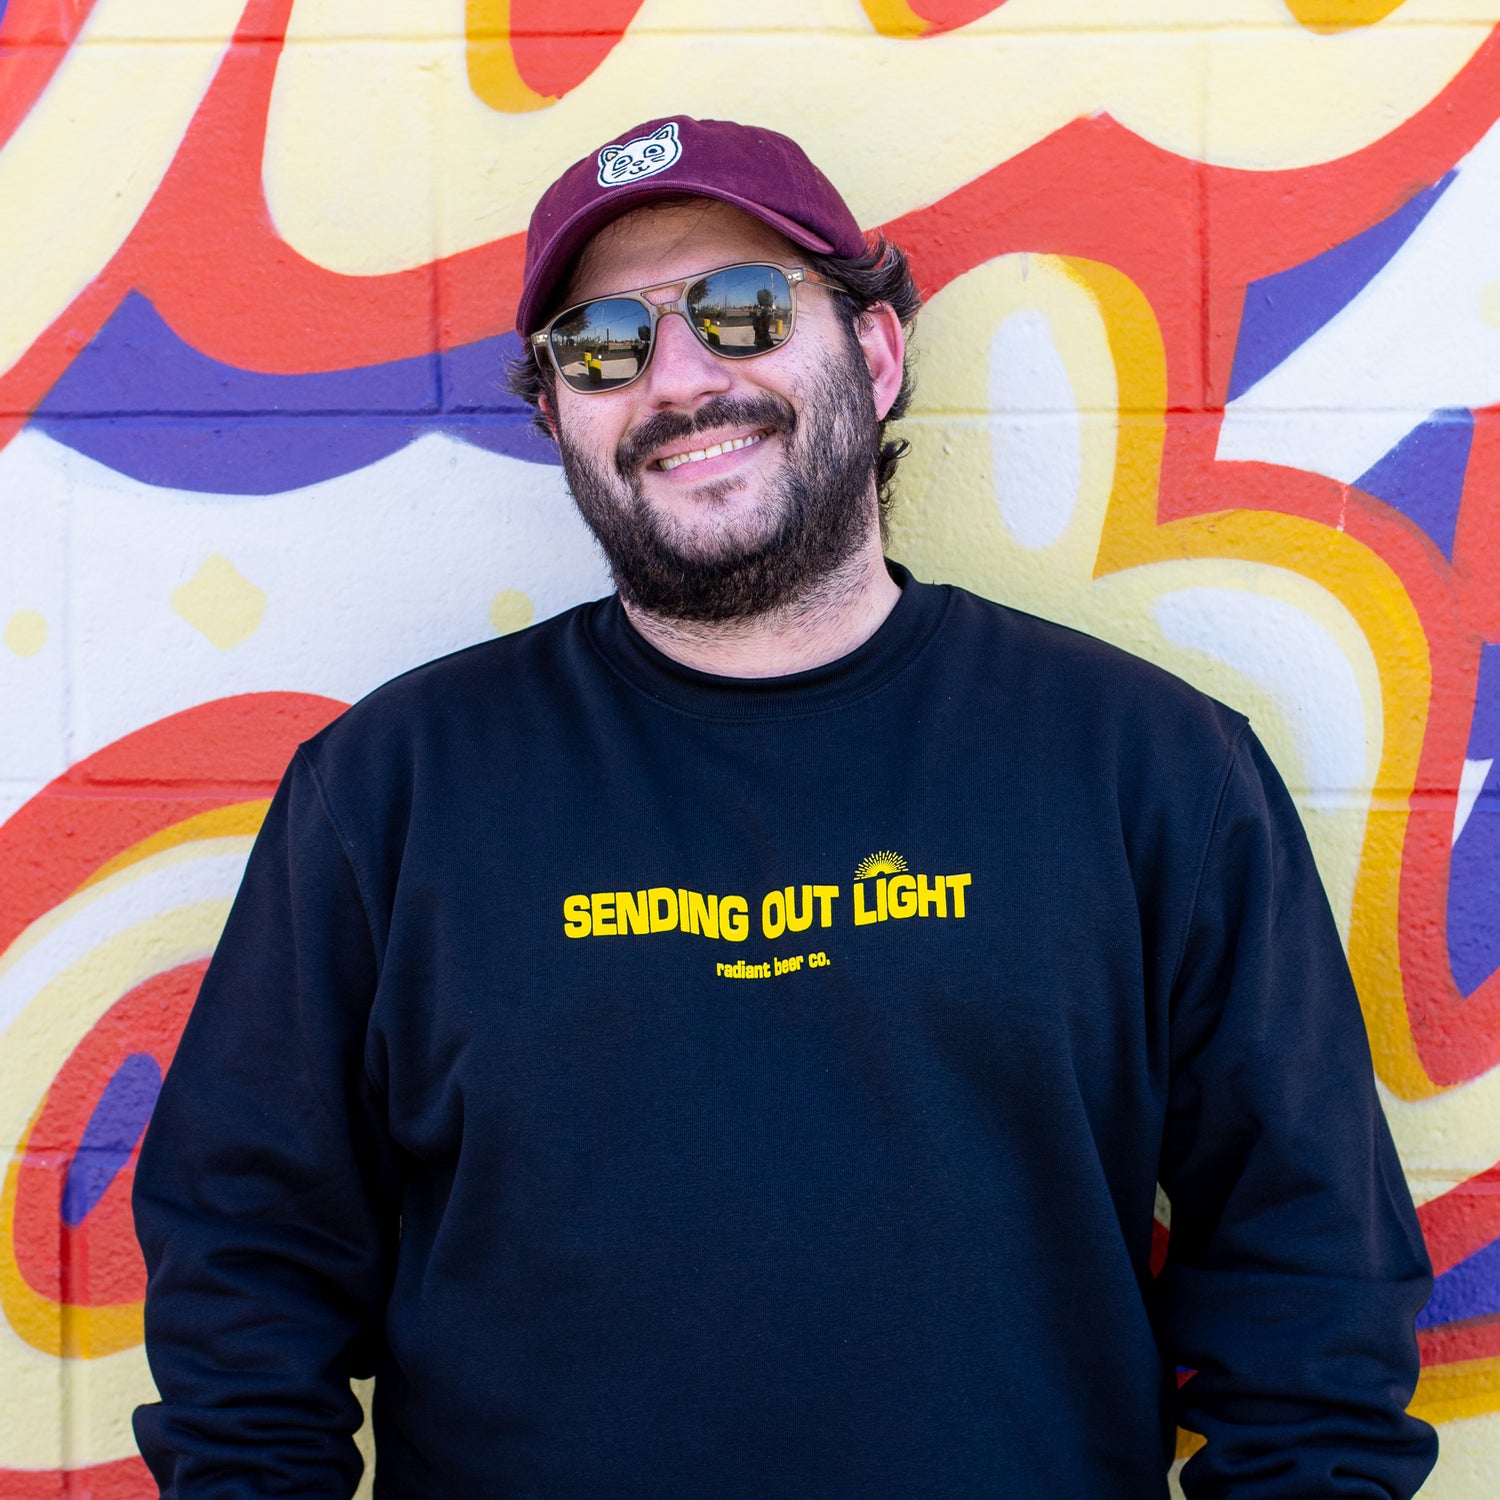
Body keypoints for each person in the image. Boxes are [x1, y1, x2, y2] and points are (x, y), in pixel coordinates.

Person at [133, 115, 1438, 1499]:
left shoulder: (1151, 770)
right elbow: (245, 1275)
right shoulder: (392, 791)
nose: (678, 383)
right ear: (557, 413)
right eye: (603, 345)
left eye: (742, 312)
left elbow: (1313, 1289)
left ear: (874, 355)